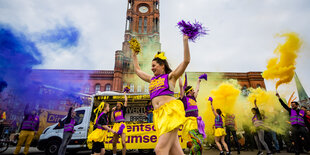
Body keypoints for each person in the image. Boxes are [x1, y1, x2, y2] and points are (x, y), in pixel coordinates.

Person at [132, 35, 190, 155]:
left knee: (160, 150)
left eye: (154, 66)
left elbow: (186, 61)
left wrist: (185, 40)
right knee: (175, 151)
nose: (151, 68)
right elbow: (137, 70)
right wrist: (134, 54)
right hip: (159, 116)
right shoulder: (151, 79)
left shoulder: (170, 77)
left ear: (162, 65)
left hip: (170, 113)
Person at [179, 77, 205, 155]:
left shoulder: (193, 98)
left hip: (196, 123)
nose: (194, 91)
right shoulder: (184, 98)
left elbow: (197, 90)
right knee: (197, 143)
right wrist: (179, 76)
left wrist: (198, 82)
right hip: (189, 124)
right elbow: (181, 87)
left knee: (200, 144)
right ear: (189, 91)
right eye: (192, 90)